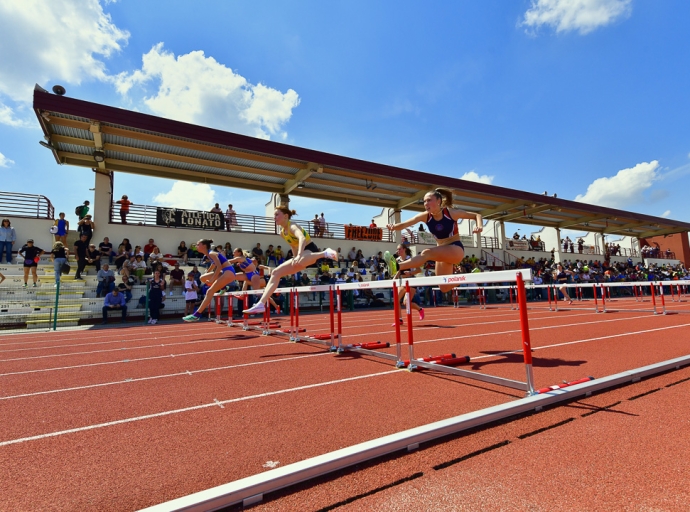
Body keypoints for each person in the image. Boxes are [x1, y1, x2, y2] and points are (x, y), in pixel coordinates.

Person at [243, 206, 337, 315]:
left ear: (286, 216)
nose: (274, 217)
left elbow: (301, 238)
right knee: (275, 272)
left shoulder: (292, 226)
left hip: (310, 250)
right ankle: (261, 304)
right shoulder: (282, 233)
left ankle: (325, 253)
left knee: (300, 259)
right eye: (274, 215)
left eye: (277, 214)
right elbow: (293, 245)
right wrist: (295, 257)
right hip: (302, 255)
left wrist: (299, 256)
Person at [387, 188, 482, 293]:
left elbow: (477, 215)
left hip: (455, 249)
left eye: (428, 200)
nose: (425, 203)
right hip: (442, 252)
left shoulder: (451, 213)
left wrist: (479, 226)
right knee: (443, 287)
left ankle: (398, 266)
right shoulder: (425, 216)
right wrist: (393, 226)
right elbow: (405, 224)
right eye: (424, 201)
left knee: (427, 253)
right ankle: (471, 276)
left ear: (438, 201)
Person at [183, 239, 238, 321]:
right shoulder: (209, 254)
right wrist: (208, 272)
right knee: (202, 278)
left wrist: (212, 280)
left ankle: (196, 315)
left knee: (210, 292)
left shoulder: (211, 253)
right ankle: (223, 288)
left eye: (198, 244)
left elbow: (219, 267)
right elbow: (214, 264)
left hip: (228, 272)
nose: (196, 246)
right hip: (224, 272)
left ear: (204, 246)